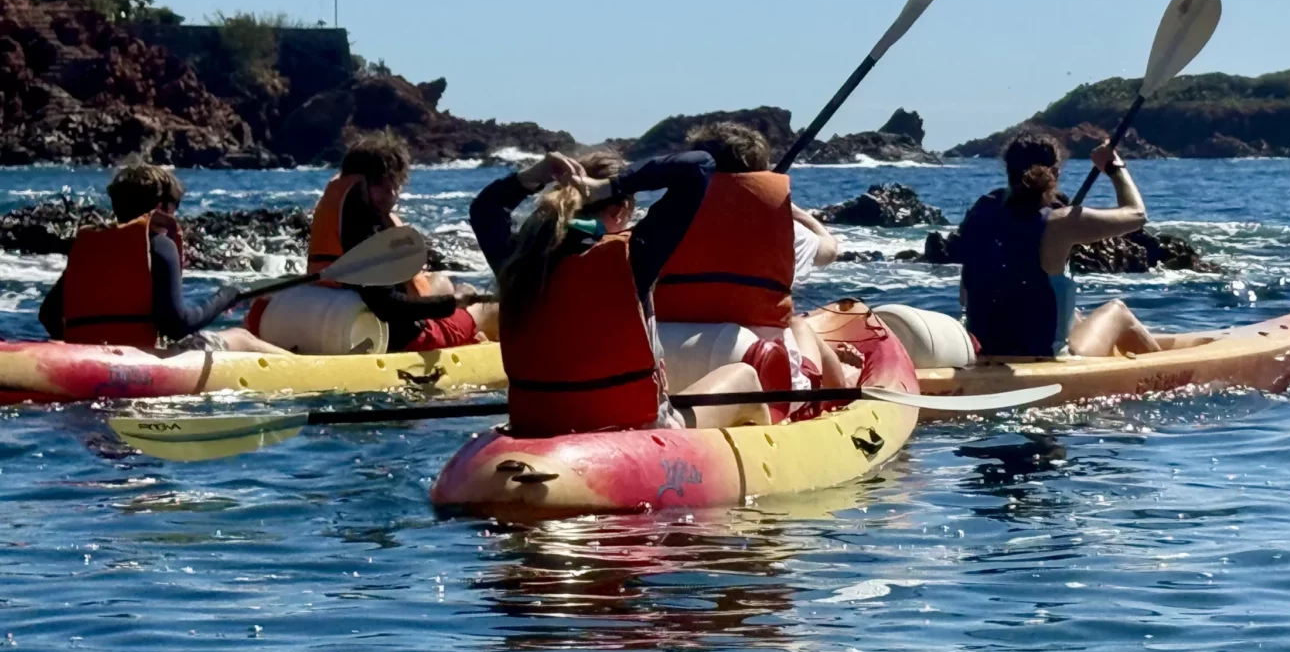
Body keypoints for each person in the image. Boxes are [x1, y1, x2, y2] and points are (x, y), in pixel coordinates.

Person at [469, 148, 768, 437]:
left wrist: (535, 174)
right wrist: (609, 187)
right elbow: (698, 165)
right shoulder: (632, 257)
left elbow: (485, 208)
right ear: (621, 209)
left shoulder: (516, 260)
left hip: (537, 423)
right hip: (633, 429)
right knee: (744, 376)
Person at [654, 121, 856, 391]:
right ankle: (837, 393)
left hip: (668, 355)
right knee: (799, 324)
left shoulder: (660, 221)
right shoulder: (783, 225)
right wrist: (797, 213)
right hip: (759, 365)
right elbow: (828, 252)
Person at [951, 132, 1167, 358]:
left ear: (1008, 171)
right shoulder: (1060, 222)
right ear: (1055, 172)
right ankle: (1164, 376)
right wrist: (1114, 167)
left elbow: (965, 296)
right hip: (1044, 357)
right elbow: (1137, 215)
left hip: (985, 352)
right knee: (1118, 311)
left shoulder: (978, 216)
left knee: (1075, 316)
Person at [39, 164, 283, 354]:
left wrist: (87, 350)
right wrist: (225, 296)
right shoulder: (159, 245)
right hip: (141, 360)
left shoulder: (90, 248)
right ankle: (308, 365)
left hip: (89, 357)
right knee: (241, 338)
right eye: (174, 205)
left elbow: (48, 314)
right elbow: (176, 326)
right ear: (160, 207)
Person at [306, 133, 498, 350]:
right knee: (492, 310)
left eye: (395, 185)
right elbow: (386, 306)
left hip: (350, 317)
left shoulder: (341, 211)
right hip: (402, 337)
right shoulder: (363, 226)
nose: (391, 194)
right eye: (380, 185)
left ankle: (470, 338)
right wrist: (452, 303)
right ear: (359, 181)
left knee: (440, 281)